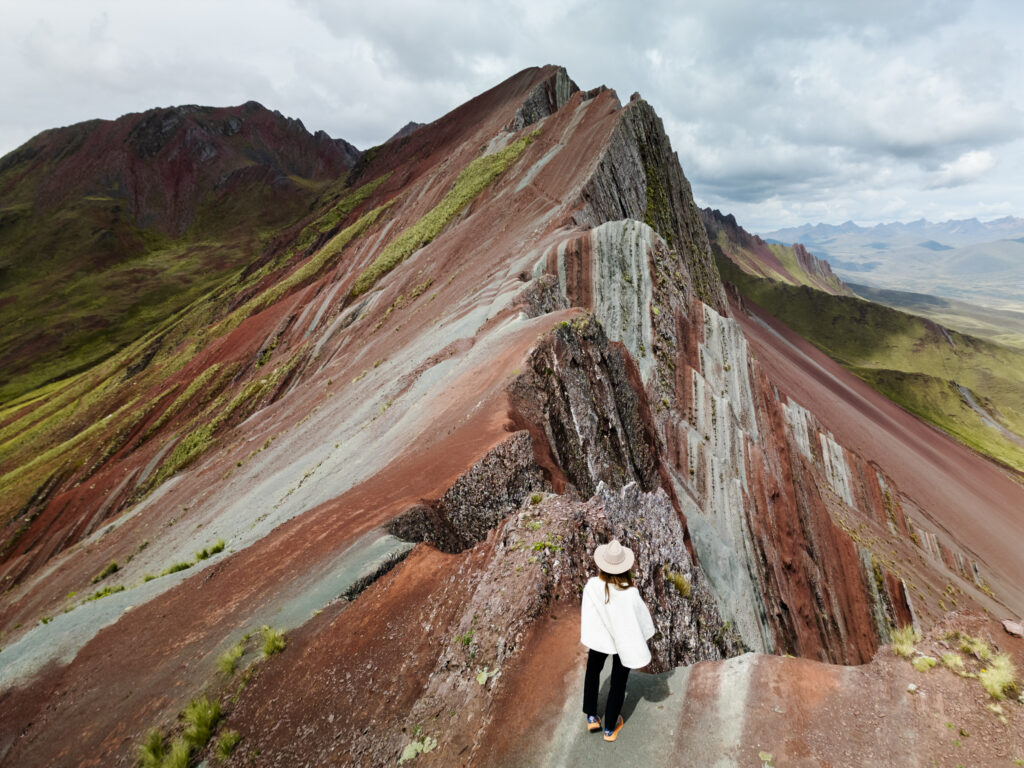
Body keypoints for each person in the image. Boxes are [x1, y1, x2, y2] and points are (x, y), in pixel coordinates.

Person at [580, 538, 655, 742]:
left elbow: (590, 614)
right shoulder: (630, 593)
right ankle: (610, 729)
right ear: (624, 568)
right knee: (618, 682)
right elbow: (642, 622)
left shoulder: (593, 585)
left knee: (593, 672)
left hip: (600, 639)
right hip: (624, 642)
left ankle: (592, 717)